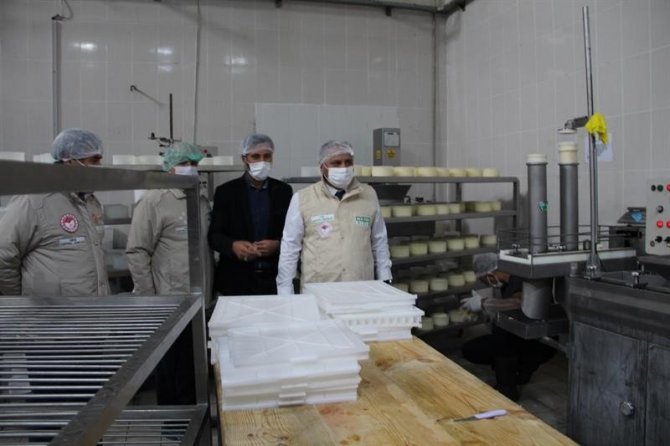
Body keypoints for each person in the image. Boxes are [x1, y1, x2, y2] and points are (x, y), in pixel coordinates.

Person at [125, 142, 213, 408]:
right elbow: (137, 251)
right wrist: (150, 300)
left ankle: (194, 422)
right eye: (184, 163)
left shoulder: (200, 200)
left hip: (199, 301)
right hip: (169, 302)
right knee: (170, 371)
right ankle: (173, 426)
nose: (190, 169)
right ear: (170, 167)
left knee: (193, 370)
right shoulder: (154, 201)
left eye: (194, 164)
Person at [0, 128, 109, 297]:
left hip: (92, 308)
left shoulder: (90, 201)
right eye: (94, 160)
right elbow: (3, 254)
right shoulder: (35, 200)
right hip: (50, 310)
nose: (99, 166)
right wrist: (18, 301)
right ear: (70, 161)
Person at [276, 140, 392, 295]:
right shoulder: (303, 198)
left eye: (348, 162)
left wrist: (385, 277)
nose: (343, 168)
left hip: (361, 289)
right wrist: (285, 290)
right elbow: (290, 247)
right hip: (319, 290)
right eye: (336, 163)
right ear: (322, 166)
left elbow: (379, 241)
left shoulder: (368, 195)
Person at [460, 253, 556, 401]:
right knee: (488, 340)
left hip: (542, 341)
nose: (486, 284)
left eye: (483, 280)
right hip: (531, 338)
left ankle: (507, 390)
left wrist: (483, 303)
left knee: (498, 339)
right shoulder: (508, 282)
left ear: (490, 275)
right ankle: (521, 373)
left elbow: (519, 303)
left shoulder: (518, 279)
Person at [208, 133, 293, 295]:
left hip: (274, 278)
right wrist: (233, 246)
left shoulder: (283, 191)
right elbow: (214, 236)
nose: (262, 161)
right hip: (236, 279)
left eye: (267, 156)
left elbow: (293, 233)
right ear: (244, 158)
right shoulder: (226, 192)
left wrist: (278, 245)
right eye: (255, 156)